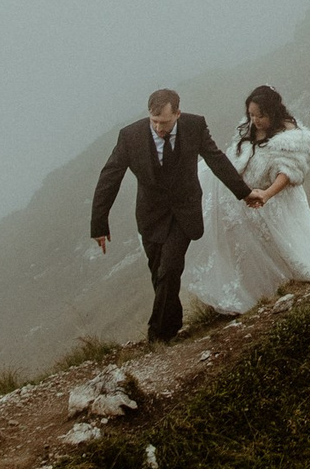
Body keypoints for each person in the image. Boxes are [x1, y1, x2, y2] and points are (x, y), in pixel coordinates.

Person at [184, 83, 310, 316]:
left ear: (272, 113)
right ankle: (257, 290)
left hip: (277, 202)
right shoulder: (250, 128)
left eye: (260, 115)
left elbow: (287, 174)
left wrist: (266, 195)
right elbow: (237, 156)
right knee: (250, 247)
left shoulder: (292, 138)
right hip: (249, 198)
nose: (255, 120)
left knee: (287, 249)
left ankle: (287, 282)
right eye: (251, 115)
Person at [89, 88, 254, 344]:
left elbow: (216, 160)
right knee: (159, 274)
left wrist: (244, 193)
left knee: (169, 269)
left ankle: (158, 336)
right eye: (154, 121)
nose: (158, 128)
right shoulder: (130, 136)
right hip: (151, 217)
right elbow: (109, 177)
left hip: (184, 212)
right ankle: (173, 322)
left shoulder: (195, 126)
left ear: (177, 113)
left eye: (164, 122)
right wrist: (99, 224)